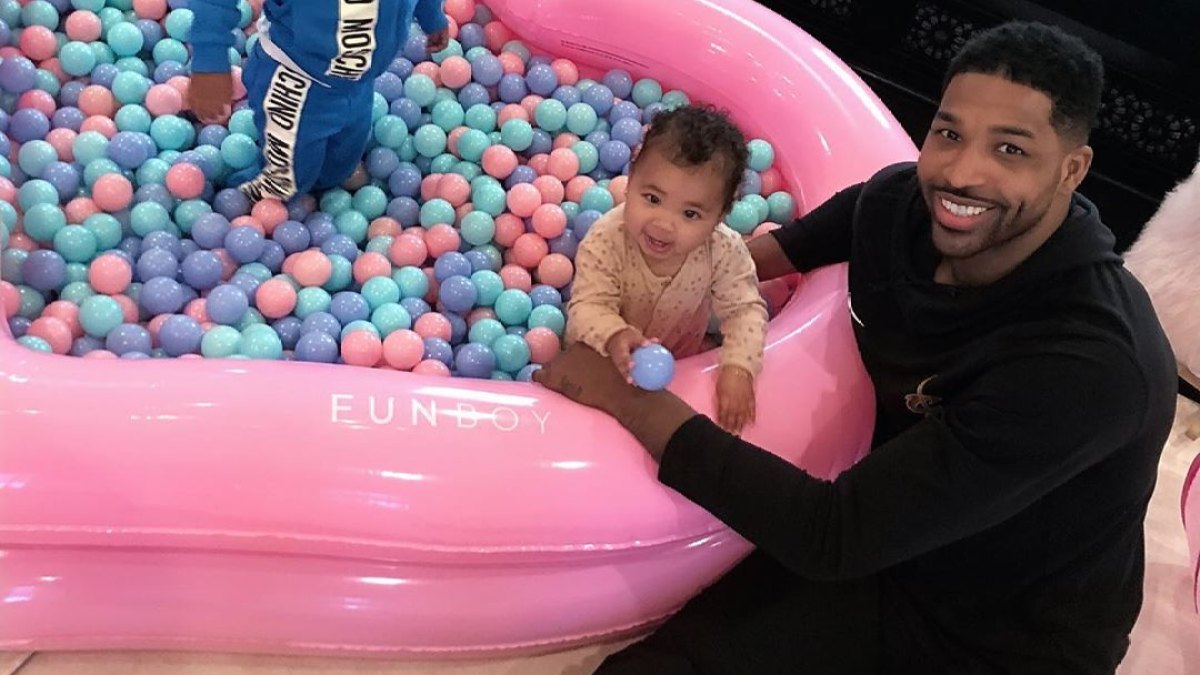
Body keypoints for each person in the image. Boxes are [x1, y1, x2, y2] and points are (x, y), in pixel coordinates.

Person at [534, 21, 1177, 674]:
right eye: (949, 133)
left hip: (995, 636)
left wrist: (623, 393)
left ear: (1073, 168)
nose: (961, 172)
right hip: (888, 541)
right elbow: (763, 254)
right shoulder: (898, 206)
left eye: (1010, 150)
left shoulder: (1090, 365)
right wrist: (652, 274)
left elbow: (834, 533)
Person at [567, 105, 768, 434]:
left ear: (721, 214)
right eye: (652, 198)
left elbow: (745, 309)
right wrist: (614, 334)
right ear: (631, 179)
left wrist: (738, 366)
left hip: (682, 359)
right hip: (600, 360)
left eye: (690, 214)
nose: (663, 224)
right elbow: (588, 306)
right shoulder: (606, 239)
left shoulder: (723, 249)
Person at [188, 0, 449, 202]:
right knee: (285, 183)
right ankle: (241, 200)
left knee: (340, 164)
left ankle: (319, 190)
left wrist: (431, 15)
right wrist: (209, 62)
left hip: (358, 82)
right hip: (296, 79)